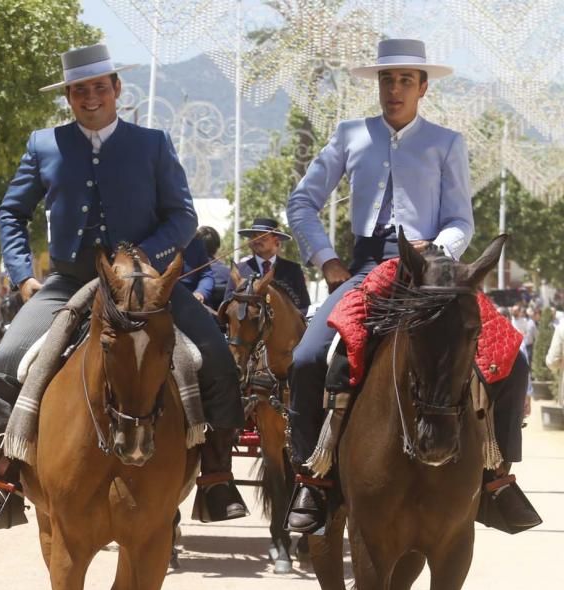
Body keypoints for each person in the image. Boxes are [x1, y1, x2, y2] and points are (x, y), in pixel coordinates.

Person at [0, 43, 248, 530]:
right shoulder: (44, 144)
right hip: (70, 281)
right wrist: (23, 274)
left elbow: (183, 216)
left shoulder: (152, 143)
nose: (90, 97)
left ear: (116, 89)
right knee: (7, 362)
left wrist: (140, 262)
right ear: (68, 96)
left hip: (146, 286)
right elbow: (12, 212)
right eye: (79, 90)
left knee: (215, 354)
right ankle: (3, 479)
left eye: (98, 87)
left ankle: (216, 475)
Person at [285, 39, 539, 533]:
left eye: (405, 80)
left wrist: (435, 250)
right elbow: (302, 202)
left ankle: (497, 478)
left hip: (434, 273)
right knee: (307, 358)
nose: (394, 89)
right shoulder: (349, 135)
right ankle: (311, 480)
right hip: (365, 270)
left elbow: (461, 219)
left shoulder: (446, 142)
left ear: (423, 88)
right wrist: (327, 259)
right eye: (387, 80)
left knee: (515, 356)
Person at [226, 217, 311, 316]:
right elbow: (228, 304)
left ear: (276, 241)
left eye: (263, 237)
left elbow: (304, 306)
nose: (257, 241)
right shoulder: (239, 270)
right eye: (254, 236)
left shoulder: (293, 270)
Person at [179, 226, 229, 312]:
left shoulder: (195, 245)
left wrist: (200, 293)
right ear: (217, 247)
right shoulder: (227, 272)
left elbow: (206, 275)